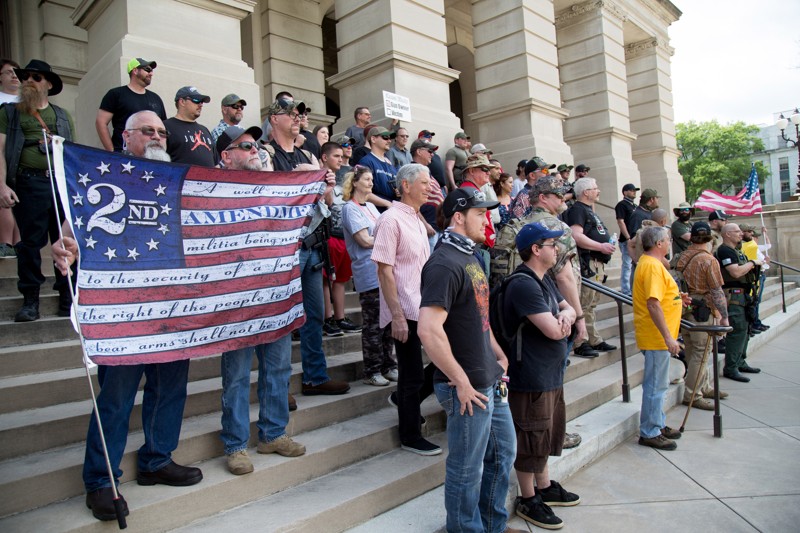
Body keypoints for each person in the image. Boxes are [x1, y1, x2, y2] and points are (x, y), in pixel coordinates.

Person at [54, 111, 203, 521]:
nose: (156, 136)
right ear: (126, 137)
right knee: (117, 398)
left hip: (172, 311)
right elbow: (71, 233)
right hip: (124, 313)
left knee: (170, 389)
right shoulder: (104, 177)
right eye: (147, 131)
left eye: (160, 131)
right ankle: (101, 480)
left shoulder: (176, 181)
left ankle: (157, 460)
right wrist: (64, 247)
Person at [417, 188, 521, 533]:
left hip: (488, 377)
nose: (487, 219)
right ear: (459, 217)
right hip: (465, 386)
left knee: (502, 454)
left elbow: (479, 315)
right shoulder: (443, 263)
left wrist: (498, 351)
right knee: (466, 468)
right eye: (480, 213)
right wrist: (460, 381)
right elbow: (429, 331)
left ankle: (492, 525)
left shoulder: (472, 256)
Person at [213, 124, 307, 476]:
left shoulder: (273, 186)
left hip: (275, 292)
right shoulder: (214, 189)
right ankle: (236, 444)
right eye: (247, 146)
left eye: (256, 145)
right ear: (226, 155)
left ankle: (273, 433)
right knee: (237, 374)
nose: (256, 150)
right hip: (236, 299)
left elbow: (304, 225)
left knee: (278, 367)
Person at [264, 97, 350, 397]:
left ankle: (315, 376)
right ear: (275, 119)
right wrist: (295, 179)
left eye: (301, 113)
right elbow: (265, 198)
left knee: (314, 314)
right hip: (283, 247)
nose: (299, 117)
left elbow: (325, 201)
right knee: (282, 317)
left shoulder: (309, 155)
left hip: (311, 245)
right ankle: (278, 388)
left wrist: (325, 188)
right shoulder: (266, 154)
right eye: (292, 113)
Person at [502, 221, 581, 530]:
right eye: (552, 244)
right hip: (529, 375)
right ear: (536, 250)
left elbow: (569, 310)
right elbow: (553, 329)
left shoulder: (543, 279)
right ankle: (528, 496)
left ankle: (544, 486)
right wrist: (563, 321)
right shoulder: (523, 284)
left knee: (546, 433)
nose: (558, 249)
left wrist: (566, 317)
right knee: (531, 436)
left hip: (548, 373)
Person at [372, 163, 440, 456]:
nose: (429, 187)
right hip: (403, 309)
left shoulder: (415, 219)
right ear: (406, 186)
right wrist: (396, 316)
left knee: (448, 357)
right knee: (411, 373)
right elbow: (384, 272)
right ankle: (410, 434)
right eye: (424, 183)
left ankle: (404, 399)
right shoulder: (390, 220)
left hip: (423, 304)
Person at [0, 60, 76, 322]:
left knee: (64, 239)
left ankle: (67, 296)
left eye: (36, 77)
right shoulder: (9, 113)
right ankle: (30, 299)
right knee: (30, 243)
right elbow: (0, 150)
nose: (29, 80)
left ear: (49, 83)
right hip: (28, 182)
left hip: (59, 184)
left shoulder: (62, 115)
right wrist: (2, 185)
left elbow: (72, 155)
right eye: (25, 76)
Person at [342, 166, 398, 386]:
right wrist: (386, 239)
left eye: (371, 179)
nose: (371, 183)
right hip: (368, 272)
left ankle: (389, 365)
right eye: (366, 179)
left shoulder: (373, 207)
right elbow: (364, 240)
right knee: (374, 324)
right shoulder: (350, 208)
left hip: (384, 269)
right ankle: (372, 370)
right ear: (355, 182)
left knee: (389, 323)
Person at [633, 225, 687, 451]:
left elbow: (659, 297)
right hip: (656, 337)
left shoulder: (651, 264)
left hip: (658, 336)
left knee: (659, 385)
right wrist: (668, 338)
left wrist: (676, 297)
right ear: (659, 244)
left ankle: (657, 423)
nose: (670, 243)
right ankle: (650, 431)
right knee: (656, 386)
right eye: (668, 240)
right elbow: (653, 303)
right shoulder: (652, 266)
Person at [676, 221, 730, 411]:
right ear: (709, 237)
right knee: (701, 352)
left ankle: (703, 387)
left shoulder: (680, 257)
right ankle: (693, 395)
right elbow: (716, 290)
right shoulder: (708, 260)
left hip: (684, 308)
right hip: (702, 310)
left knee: (693, 350)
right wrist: (724, 316)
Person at [565, 177, 617, 357]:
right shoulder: (578, 210)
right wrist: (600, 246)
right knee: (585, 303)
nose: (598, 191)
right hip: (588, 263)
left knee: (591, 304)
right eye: (595, 188)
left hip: (598, 263)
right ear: (586, 192)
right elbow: (576, 235)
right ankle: (580, 342)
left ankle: (593, 339)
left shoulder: (588, 210)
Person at [319, 141, 361, 335]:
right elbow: (325, 204)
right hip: (327, 237)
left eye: (341, 156)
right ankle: (327, 318)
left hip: (343, 236)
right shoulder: (318, 176)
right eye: (336, 156)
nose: (341, 158)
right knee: (327, 279)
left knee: (341, 280)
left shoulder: (341, 178)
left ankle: (340, 317)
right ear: (325, 157)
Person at [716, 223, 764, 382]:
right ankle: (731, 367)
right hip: (733, 296)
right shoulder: (724, 251)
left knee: (745, 329)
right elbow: (735, 272)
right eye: (737, 231)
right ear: (727, 234)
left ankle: (740, 361)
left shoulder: (736, 250)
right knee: (737, 330)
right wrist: (753, 263)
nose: (740, 234)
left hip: (744, 295)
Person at [95, 57, 166, 152]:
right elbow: (101, 122)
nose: (151, 73)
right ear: (135, 71)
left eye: (152, 71)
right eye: (147, 70)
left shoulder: (156, 98)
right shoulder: (116, 94)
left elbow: (163, 128)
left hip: (152, 156)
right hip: (125, 155)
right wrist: (112, 151)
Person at [164, 86, 216, 166]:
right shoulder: (166, 126)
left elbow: (216, 162)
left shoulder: (205, 130)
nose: (200, 105)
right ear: (182, 102)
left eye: (202, 102)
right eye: (196, 100)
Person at [0, 58, 20, 258]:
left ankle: (18, 243)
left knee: (20, 199)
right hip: (2, 154)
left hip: (21, 157)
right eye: (8, 72)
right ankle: (6, 242)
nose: (14, 75)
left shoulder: (26, 100)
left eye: (17, 72)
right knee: (4, 196)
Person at [408, 138, 443, 252]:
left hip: (436, 228)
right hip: (427, 229)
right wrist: (425, 224)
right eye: (429, 151)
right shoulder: (412, 172)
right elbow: (409, 203)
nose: (432, 155)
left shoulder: (426, 171)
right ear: (418, 152)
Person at [359, 126, 398, 209]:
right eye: (385, 137)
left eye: (390, 138)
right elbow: (362, 191)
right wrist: (386, 203)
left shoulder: (391, 165)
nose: (389, 141)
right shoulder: (366, 162)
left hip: (392, 212)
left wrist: (399, 192)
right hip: (376, 213)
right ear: (373, 139)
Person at [615, 183, 639, 296]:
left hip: (635, 240)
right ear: (625, 192)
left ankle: (633, 288)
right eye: (631, 190)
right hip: (626, 240)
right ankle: (626, 290)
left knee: (634, 265)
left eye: (635, 190)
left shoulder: (634, 206)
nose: (634, 192)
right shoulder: (621, 205)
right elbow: (620, 221)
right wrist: (628, 238)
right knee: (627, 265)